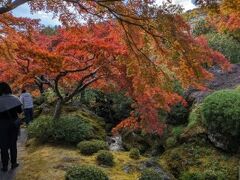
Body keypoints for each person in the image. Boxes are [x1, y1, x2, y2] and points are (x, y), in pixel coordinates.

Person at [0, 82, 22, 172]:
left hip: (1, 124)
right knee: (13, 144)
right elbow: (20, 111)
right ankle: (13, 163)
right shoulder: (15, 98)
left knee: (3, 145)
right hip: (13, 123)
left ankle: (5, 165)